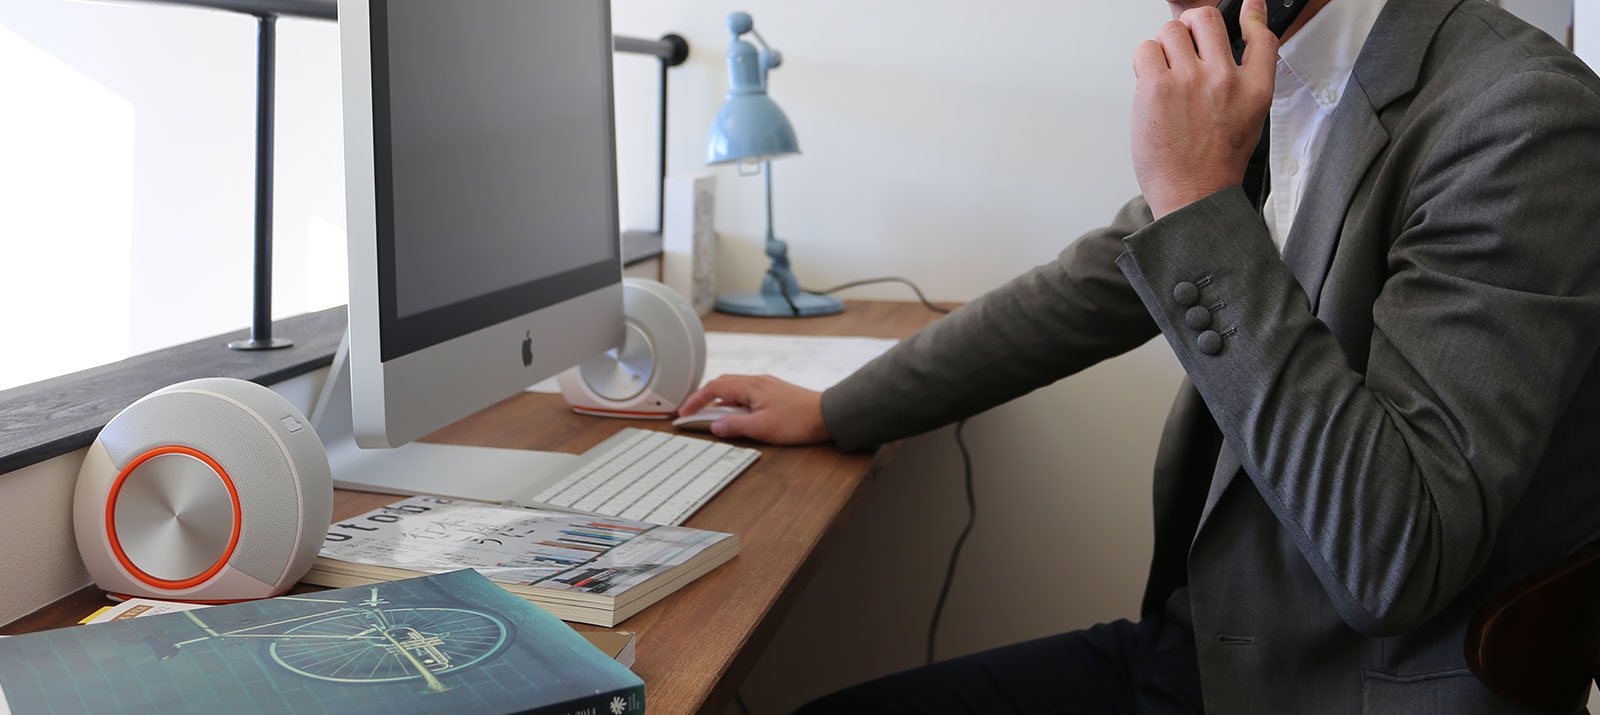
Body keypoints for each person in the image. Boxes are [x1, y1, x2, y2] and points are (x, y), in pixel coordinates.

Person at [680, 0, 1600, 712]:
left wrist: (1196, 198)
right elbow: (1085, 287)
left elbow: (1393, 555)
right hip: (1205, 649)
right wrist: (835, 408)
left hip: (1334, 686)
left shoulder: (1518, 117)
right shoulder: (1279, 73)